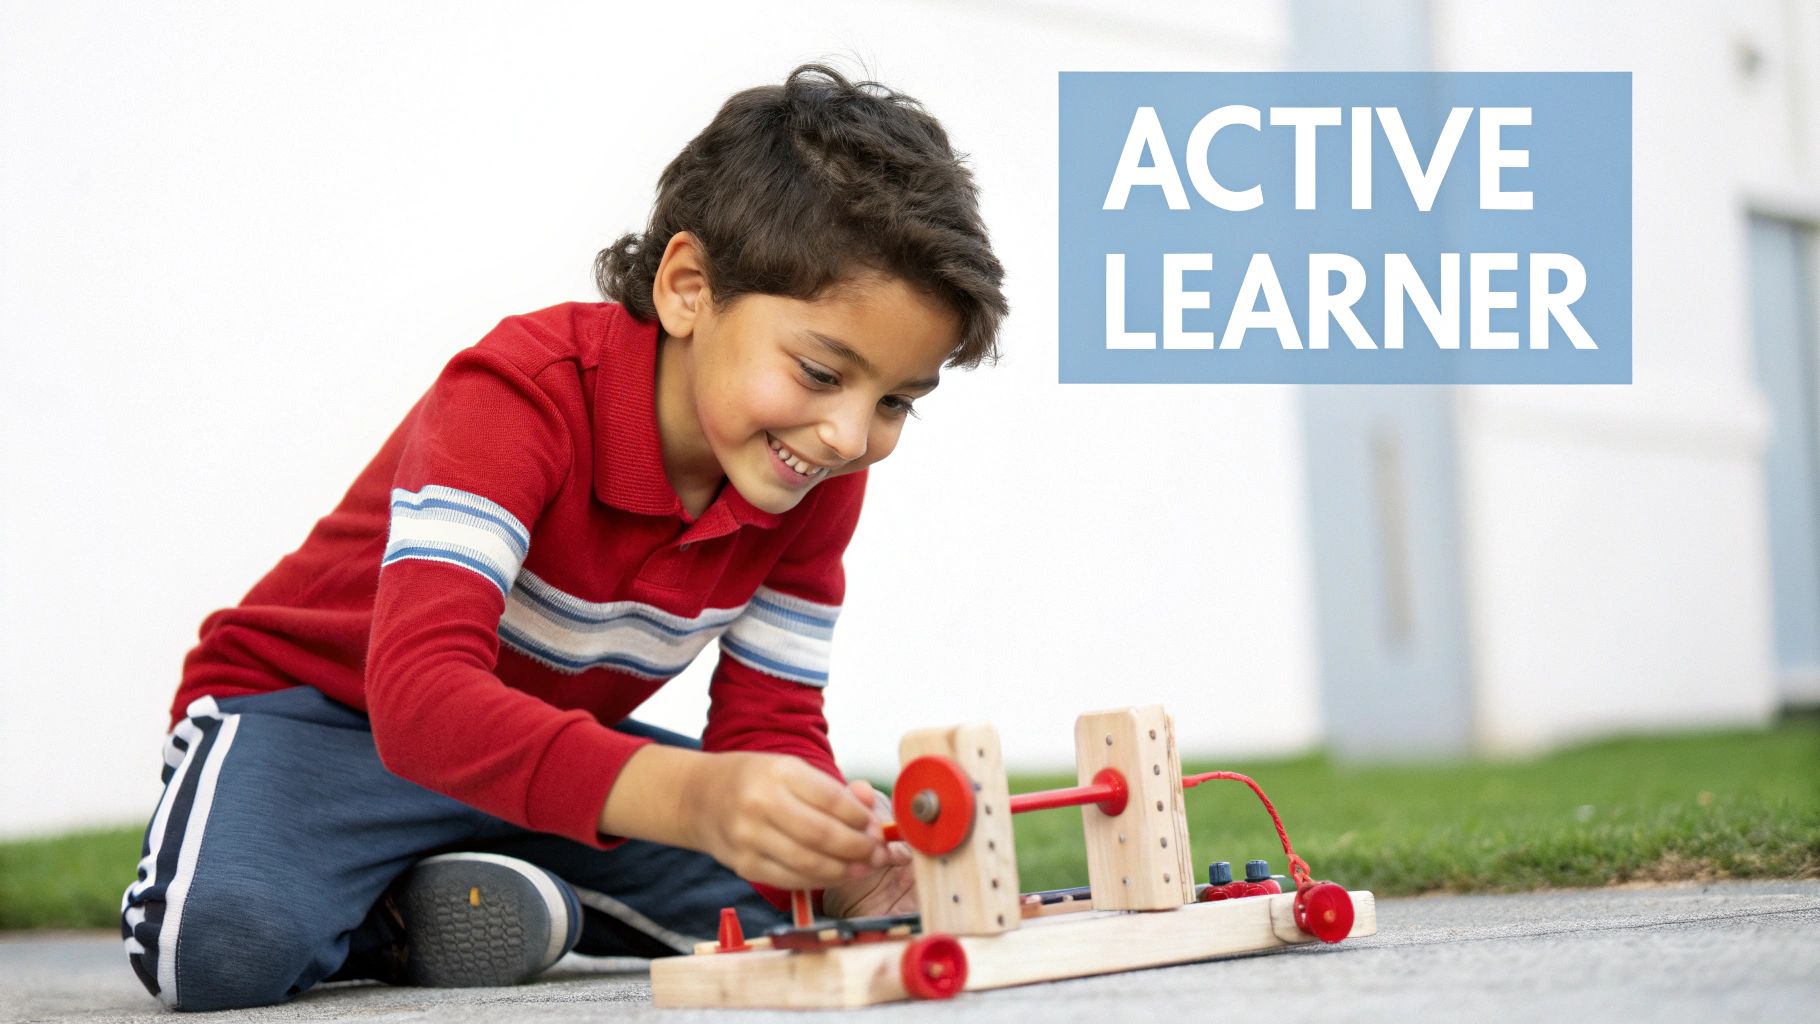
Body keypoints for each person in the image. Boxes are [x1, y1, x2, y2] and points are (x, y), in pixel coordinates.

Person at [119, 63, 1007, 1012]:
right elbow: (422, 702)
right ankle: (391, 914)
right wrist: (697, 799)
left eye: (897, 402)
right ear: (688, 287)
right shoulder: (520, 396)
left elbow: (768, 724)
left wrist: (833, 856)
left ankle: (453, 880)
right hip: (323, 728)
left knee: (791, 906)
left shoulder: (811, 474)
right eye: (823, 372)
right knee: (219, 945)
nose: (848, 434)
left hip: (533, 755)